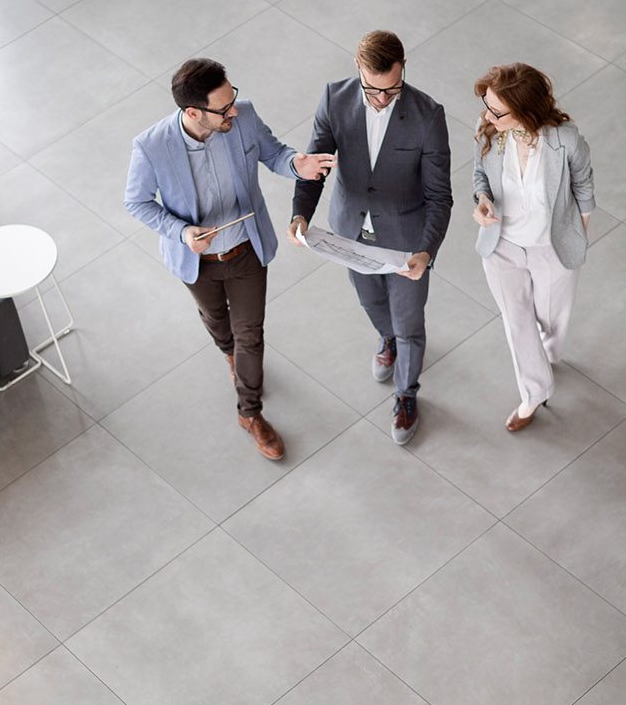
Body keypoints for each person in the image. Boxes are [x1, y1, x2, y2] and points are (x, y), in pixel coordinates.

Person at [124, 58, 335, 460]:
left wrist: (297, 164)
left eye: (232, 99)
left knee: (250, 333)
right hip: (197, 261)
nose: (233, 111)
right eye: (223, 108)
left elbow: (274, 154)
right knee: (218, 322)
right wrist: (183, 233)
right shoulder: (151, 146)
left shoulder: (244, 117)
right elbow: (137, 203)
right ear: (192, 112)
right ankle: (228, 353)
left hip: (244, 252)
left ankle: (250, 413)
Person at [289, 30, 452, 446]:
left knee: (410, 323)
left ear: (403, 70)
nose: (381, 98)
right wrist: (300, 214)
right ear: (357, 69)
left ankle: (406, 395)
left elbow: (439, 196)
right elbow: (315, 164)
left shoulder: (428, 115)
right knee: (371, 302)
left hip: (406, 240)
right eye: (372, 89)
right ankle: (387, 338)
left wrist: (425, 250)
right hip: (350, 231)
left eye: (391, 88)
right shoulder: (334, 99)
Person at [469, 63, 594, 433]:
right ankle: (534, 393)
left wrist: (578, 234)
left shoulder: (565, 140)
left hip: (551, 247)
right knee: (517, 321)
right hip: (502, 246)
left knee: (552, 319)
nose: (487, 115)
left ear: (525, 110)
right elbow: (479, 175)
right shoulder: (488, 130)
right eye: (487, 105)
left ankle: (548, 356)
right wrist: (481, 200)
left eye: (497, 110)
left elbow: (585, 186)